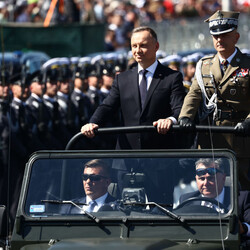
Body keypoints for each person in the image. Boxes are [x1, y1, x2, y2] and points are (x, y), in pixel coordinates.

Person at [178, 10, 250, 190]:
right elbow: (194, 94)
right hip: (210, 136)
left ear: (236, 36)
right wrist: (185, 117)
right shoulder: (205, 64)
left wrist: (249, 122)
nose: (219, 40)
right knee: (209, 187)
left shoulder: (247, 64)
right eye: (215, 36)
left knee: (241, 188)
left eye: (225, 35)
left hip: (240, 137)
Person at [81, 26, 186, 149]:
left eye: (143, 45)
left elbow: (179, 108)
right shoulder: (122, 79)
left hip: (159, 154)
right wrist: (92, 123)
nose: (138, 50)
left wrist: (170, 120)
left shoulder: (172, 77)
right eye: (134, 46)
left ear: (156, 47)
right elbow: (108, 106)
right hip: (127, 155)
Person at [179, 158, 250, 239]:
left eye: (210, 178)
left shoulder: (241, 198)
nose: (205, 183)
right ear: (196, 179)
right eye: (201, 179)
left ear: (223, 178)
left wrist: (243, 228)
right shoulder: (186, 200)